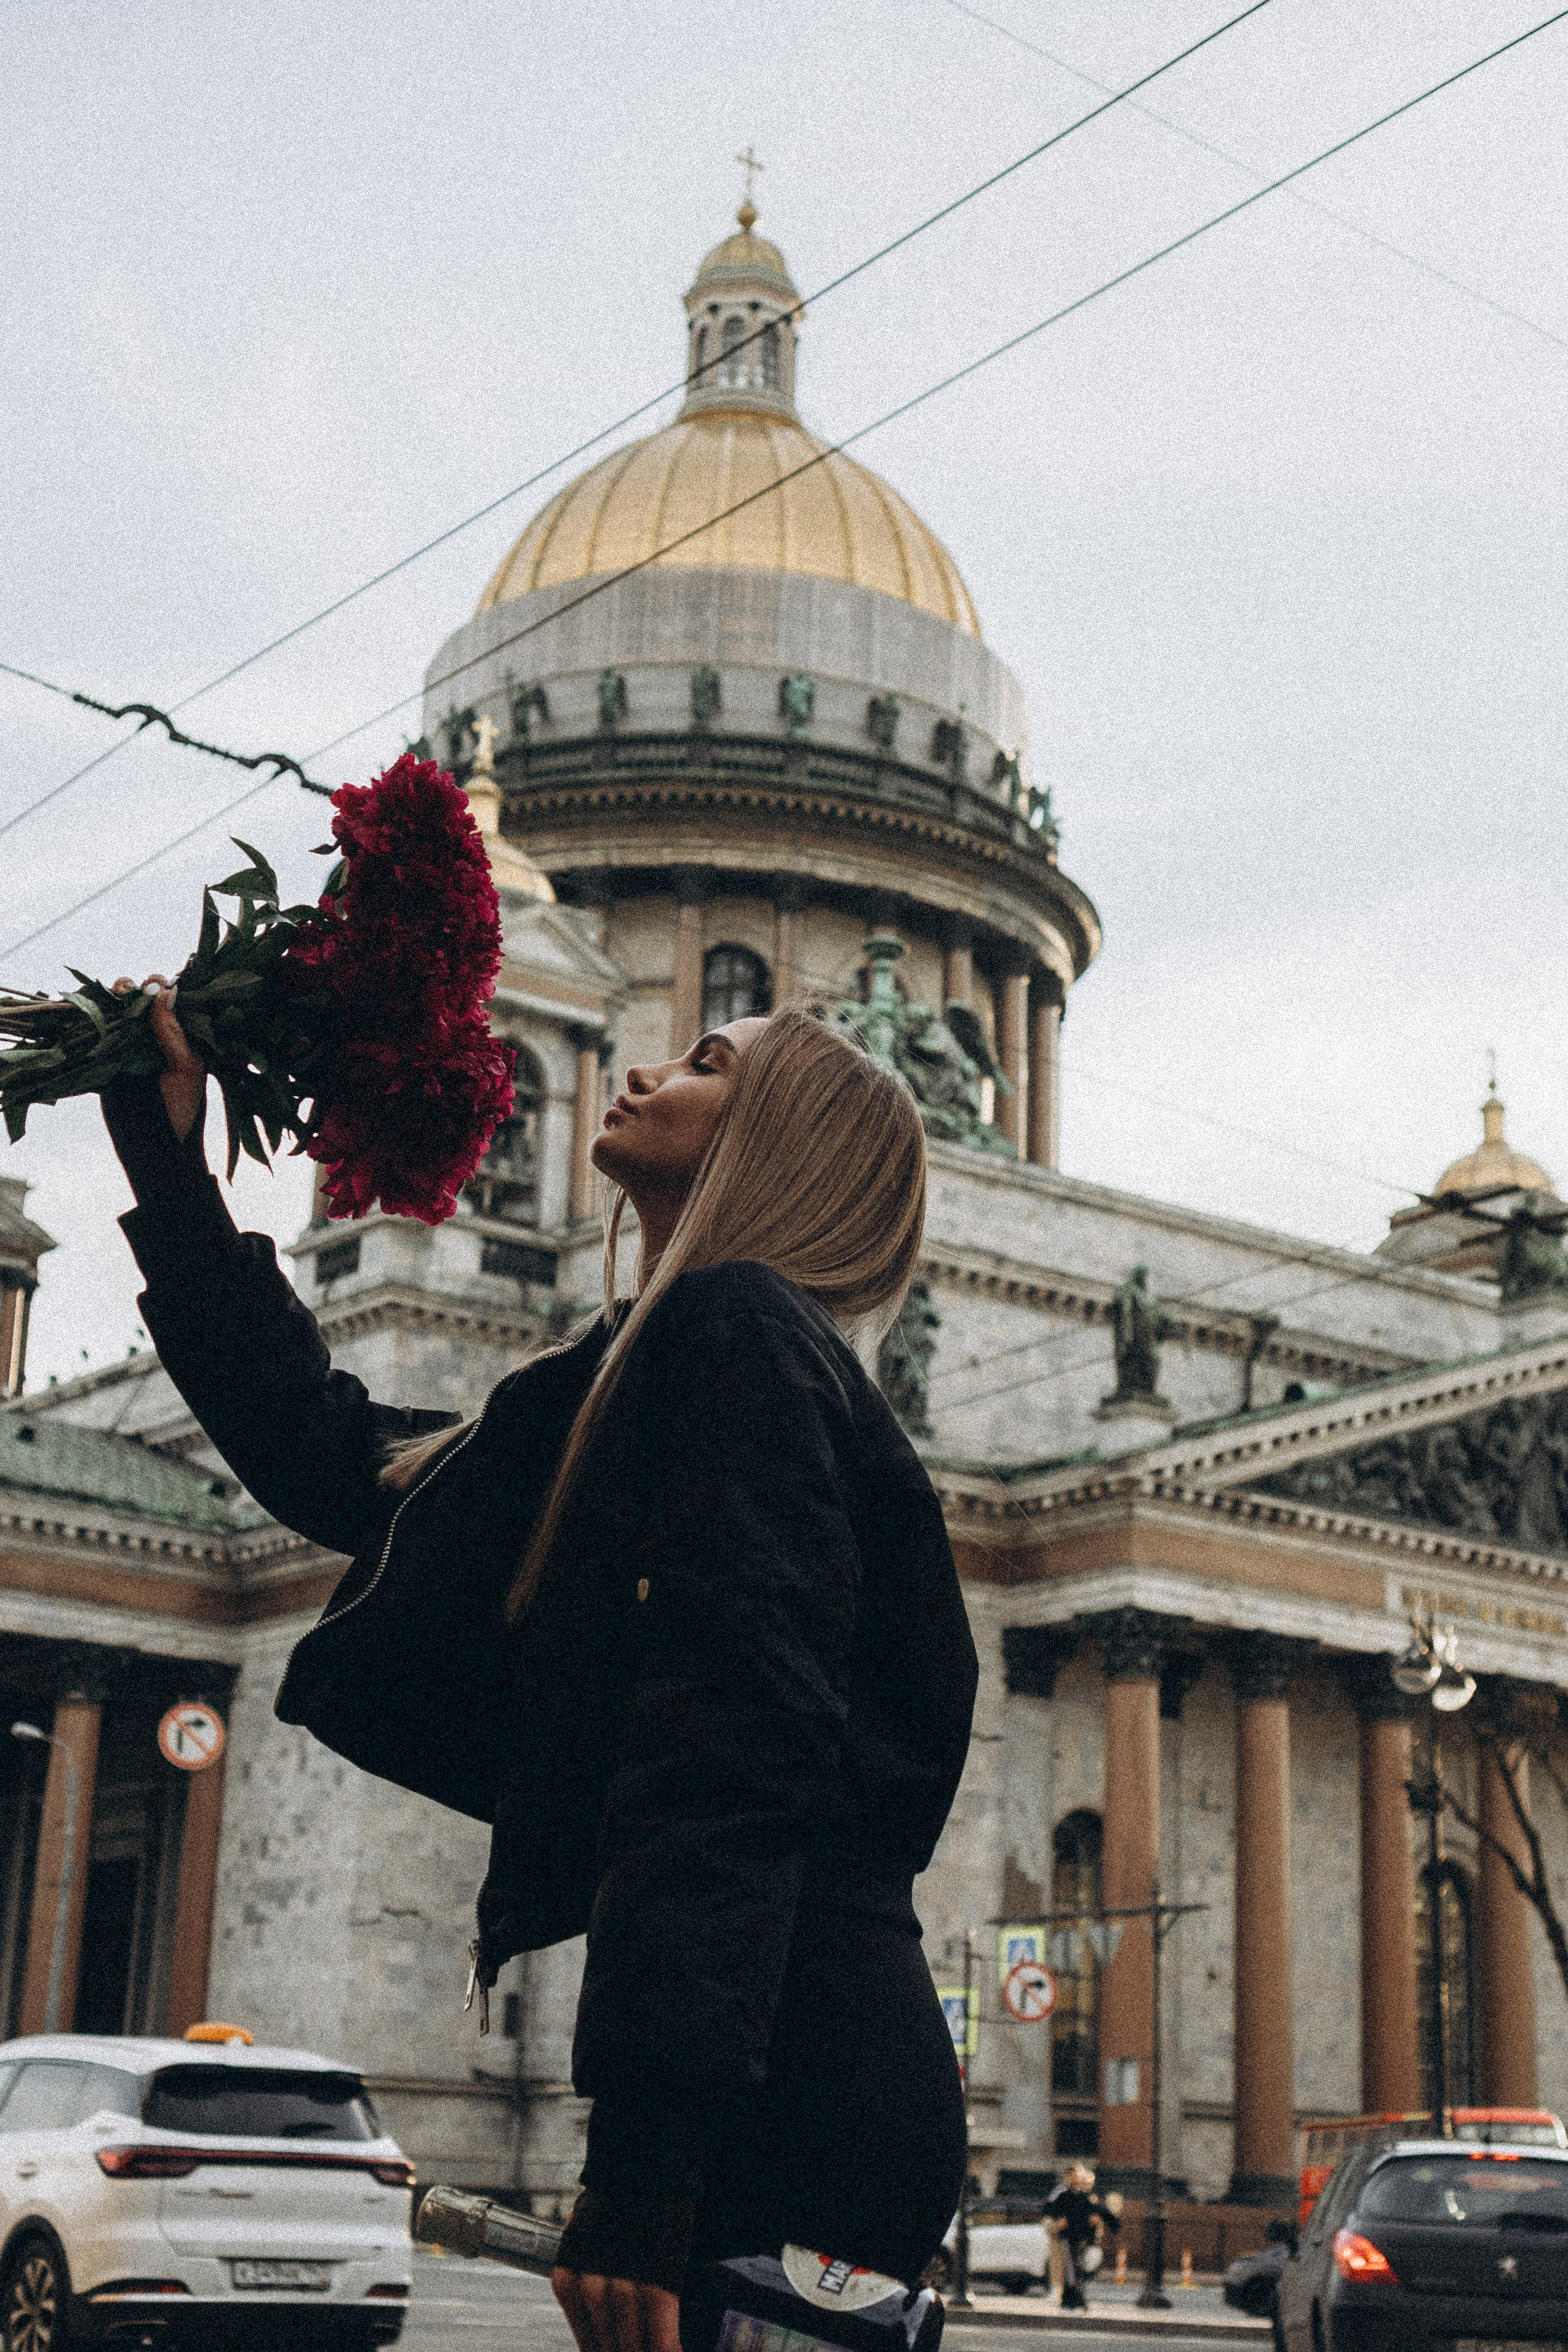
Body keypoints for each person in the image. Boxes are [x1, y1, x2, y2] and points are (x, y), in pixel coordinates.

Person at [100, 987, 979, 2352]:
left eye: (705, 1066)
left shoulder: (741, 1334)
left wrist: (646, 2160)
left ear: (781, 1142)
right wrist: (171, 1173)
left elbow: (729, 1751)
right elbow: (347, 1464)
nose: (641, 1069)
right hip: (781, 2062)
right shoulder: (648, 1369)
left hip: (787, 2089)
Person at [1044, 2165, 1120, 2311]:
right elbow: (1050, 2209)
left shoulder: (1085, 2197)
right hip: (1068, 2237)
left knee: (1075, 2269)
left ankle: (1069, 2301)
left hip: (1079, 2237)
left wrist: (1105, 2223)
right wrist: (1060, 2220)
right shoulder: (1065, 2194)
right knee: (1072, 2270)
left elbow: (1099, 2211)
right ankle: (1074, 2300)